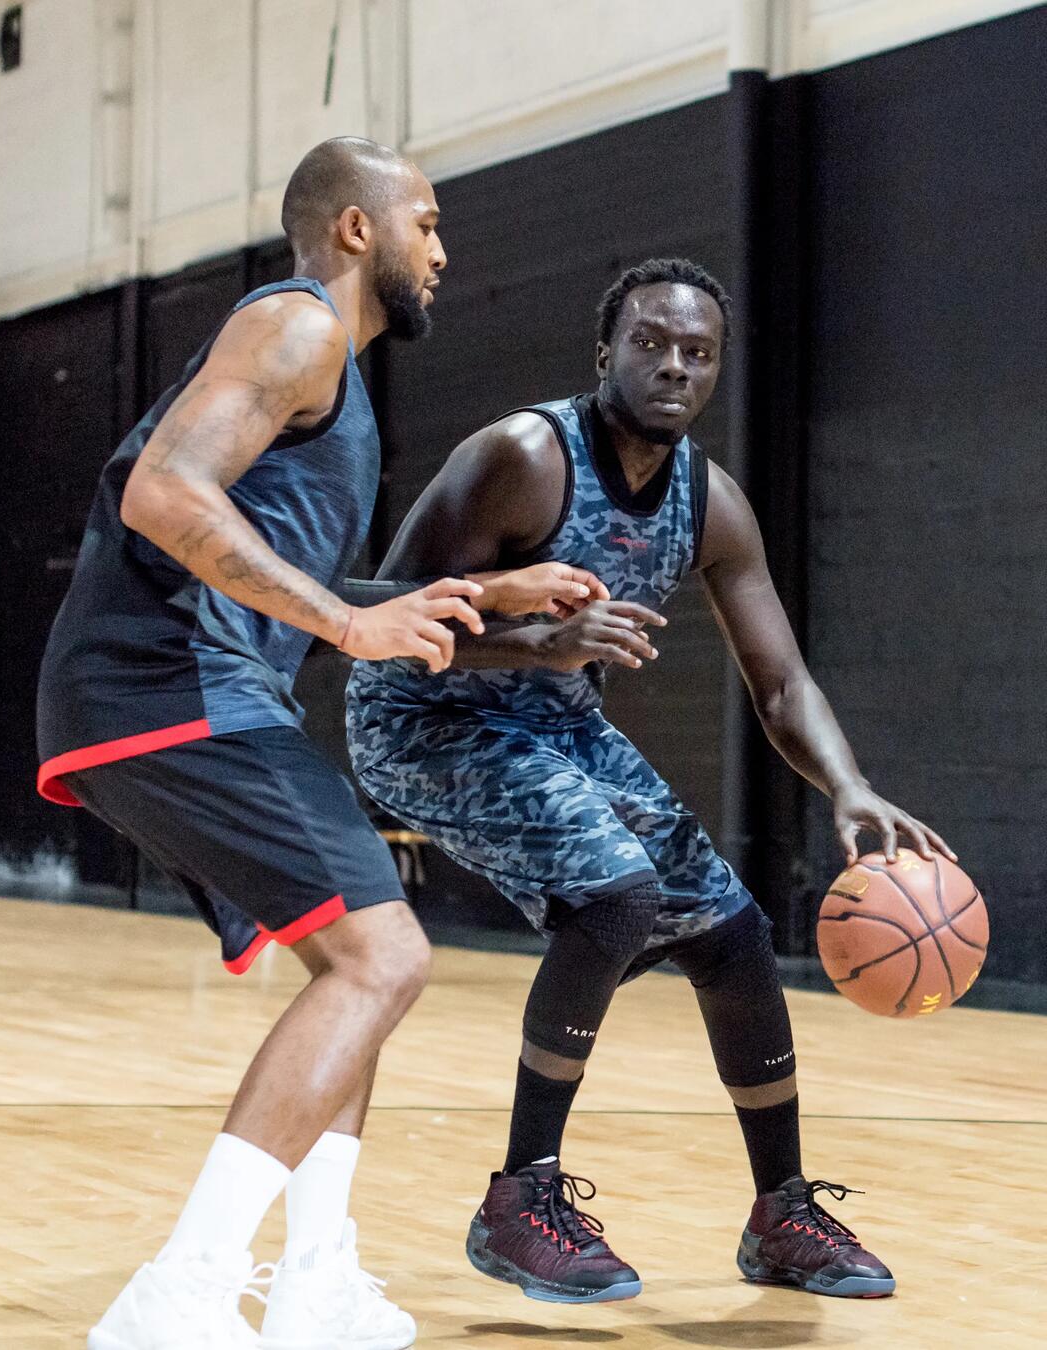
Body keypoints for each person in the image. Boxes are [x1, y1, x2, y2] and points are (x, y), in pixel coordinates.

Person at [36, 137, 603, 1350]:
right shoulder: (294, 330)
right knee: (381, 961)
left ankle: (316, 1284)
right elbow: (162, 495)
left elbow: (249, 563)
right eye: (429, 226)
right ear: (358, 230)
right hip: (163, 686)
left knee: (355, 972)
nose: (444, 254)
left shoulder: (326, 373)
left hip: (180, 687)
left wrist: (479, 603)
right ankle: (181, 1292)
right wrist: (352, 617)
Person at [344, 257, 952, 1305]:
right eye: (651, 344)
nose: (674, 366)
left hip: (555, 724)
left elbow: (781, 681)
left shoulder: (710, 504)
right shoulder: (524, 457)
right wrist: (538, 642)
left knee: (732, 934)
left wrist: (846, 786)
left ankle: (781, 1214)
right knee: (617, 895)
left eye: (697, 352)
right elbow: (382, 627)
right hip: (423, 719)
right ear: (604, 353)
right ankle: (519, 1200)